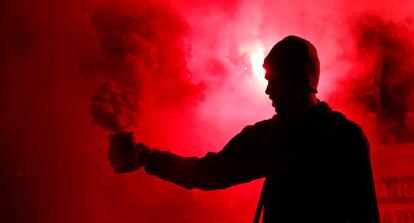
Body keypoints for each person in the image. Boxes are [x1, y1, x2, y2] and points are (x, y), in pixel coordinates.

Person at [108, 35, 380, 222]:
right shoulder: (336, 136)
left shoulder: (340, 138)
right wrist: (148, 157)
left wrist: (148, 158)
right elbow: (206, 173)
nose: (268, 90)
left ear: (298, 81)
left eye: (275, 81)